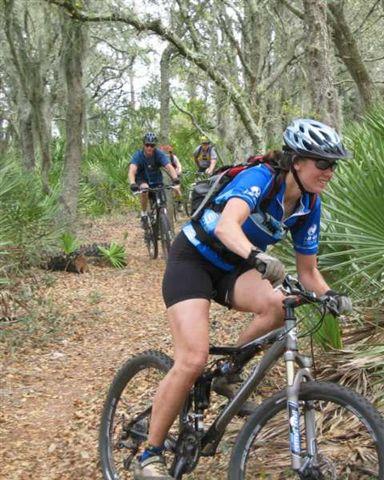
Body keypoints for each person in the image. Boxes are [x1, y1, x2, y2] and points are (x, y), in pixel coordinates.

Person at [133, 119, 353, 480]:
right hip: (193, 259)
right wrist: (258, 257)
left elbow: (309, 272)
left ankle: (227, 372)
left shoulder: (310, 204)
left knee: (280, 305)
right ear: (296, 161)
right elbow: (226, 226)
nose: (330, 171)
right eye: (322, 163)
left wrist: (331, 297)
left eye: (334, 164)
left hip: (235, 267)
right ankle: (149, 454)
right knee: (191, 359)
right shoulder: (260, 179)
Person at [128, 132, 181, 229]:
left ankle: (163, 223)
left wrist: (175, 179)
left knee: (162, 203)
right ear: (143, 145)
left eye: (152, 145)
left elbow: (169, 167)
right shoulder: (138, 155)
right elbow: (132, 170)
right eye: (147, 145)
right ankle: (144, 214)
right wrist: (132, 183)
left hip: (157, 181)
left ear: (155, 146)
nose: (149, 148)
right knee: (145, 189)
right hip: (142, 179)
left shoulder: (158, 154)